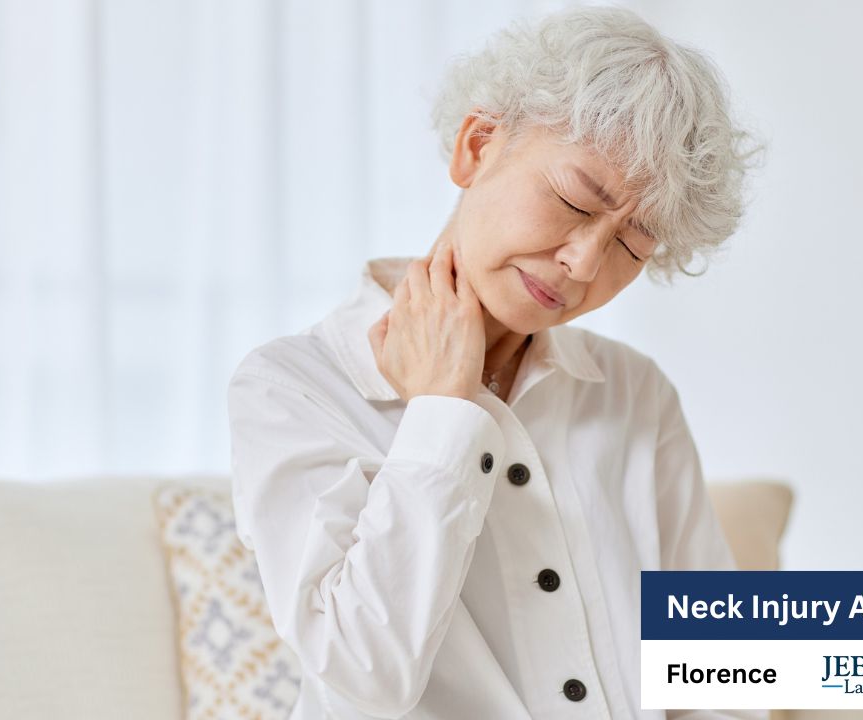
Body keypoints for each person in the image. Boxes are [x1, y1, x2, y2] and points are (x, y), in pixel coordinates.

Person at [228, 5, 764, 719]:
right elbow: (365, 675)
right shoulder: (293, 389)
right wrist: (441, 419)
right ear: (477, 146)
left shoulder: (634, 394)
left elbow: (720, 678)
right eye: (575, 202)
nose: (583, 263)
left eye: (631, 245)